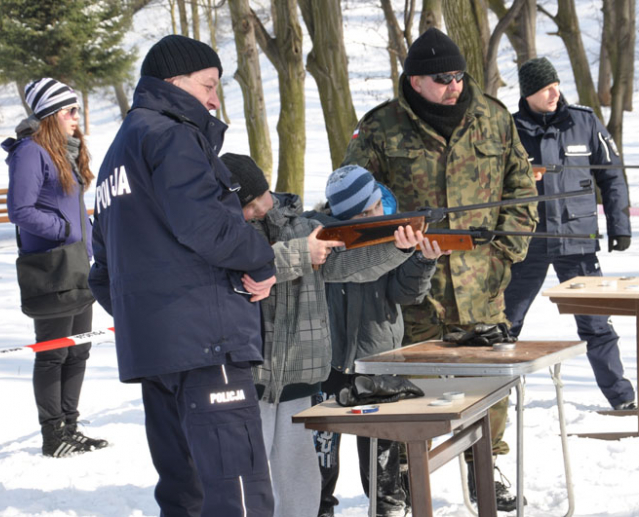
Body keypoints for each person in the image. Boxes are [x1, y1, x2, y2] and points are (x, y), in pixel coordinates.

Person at [342, 27, 537, 512]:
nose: (454, 84)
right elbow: (353, 202)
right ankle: (398, 476)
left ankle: (485, 467)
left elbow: (521, 188)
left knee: (488, 384)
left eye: (459, 75)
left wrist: (505, 252)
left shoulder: (492, 117)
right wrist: (392, 241)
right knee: (404, 388)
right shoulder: (380, 127)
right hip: (411, 287)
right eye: (442, 78)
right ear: (414, 82)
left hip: (482, 285)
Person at [88, 36, 276, 516]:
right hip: (206, 344)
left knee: (184, 494)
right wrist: (260, 258)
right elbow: (207, 226)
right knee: (237, 492)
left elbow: (103, 275)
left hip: (157, 355)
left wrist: (155, 317)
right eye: (208, 85)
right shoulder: (172, 134)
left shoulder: (115, 158)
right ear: (173, 83)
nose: (214, 99)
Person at [221, 154, 426, 517]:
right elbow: (244, 273)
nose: (254, 210)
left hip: (301, 381)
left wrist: (401, 248)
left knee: (302, 489)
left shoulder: (304, 226)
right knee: (248, 489)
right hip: (249, 378)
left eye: (258, 199)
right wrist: (302, 254)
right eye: (245, 205)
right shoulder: (228, 233)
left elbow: (348, 265)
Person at [308, 166, 444, 517]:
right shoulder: (321, 239)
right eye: (362, 214)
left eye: (373, 209)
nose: (372, 217)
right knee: (321, 459)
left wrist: (422, 261)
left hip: (379, 359)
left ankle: (388, 508)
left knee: (383, 460)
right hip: (328, 361)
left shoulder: (394, 231)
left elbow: (405, 294)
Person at [504, 57, 636, 410]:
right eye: (545, 88)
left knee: (596, 323)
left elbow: (612, 175)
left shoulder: (585, 121)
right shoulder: (509, 128)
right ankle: (489, 401)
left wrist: (619, 225)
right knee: (504, 324)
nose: (554, 92)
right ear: (528, 94)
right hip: (527, 242)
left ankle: (622, 399)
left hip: (577, 243)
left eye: (556, 84)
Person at [3, 78, 108, 458]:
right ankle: (53, 435)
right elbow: (21, 210)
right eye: (69, 111)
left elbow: (76, 209)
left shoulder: (65, 151)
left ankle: (71, 427)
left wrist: (94, 243)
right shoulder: (31, 152)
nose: (76, 118)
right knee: (53, 353)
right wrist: (64, 231)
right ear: (50, 115)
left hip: (80, 266)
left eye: (76, 110)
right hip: (51, 268)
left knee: (79, 349)